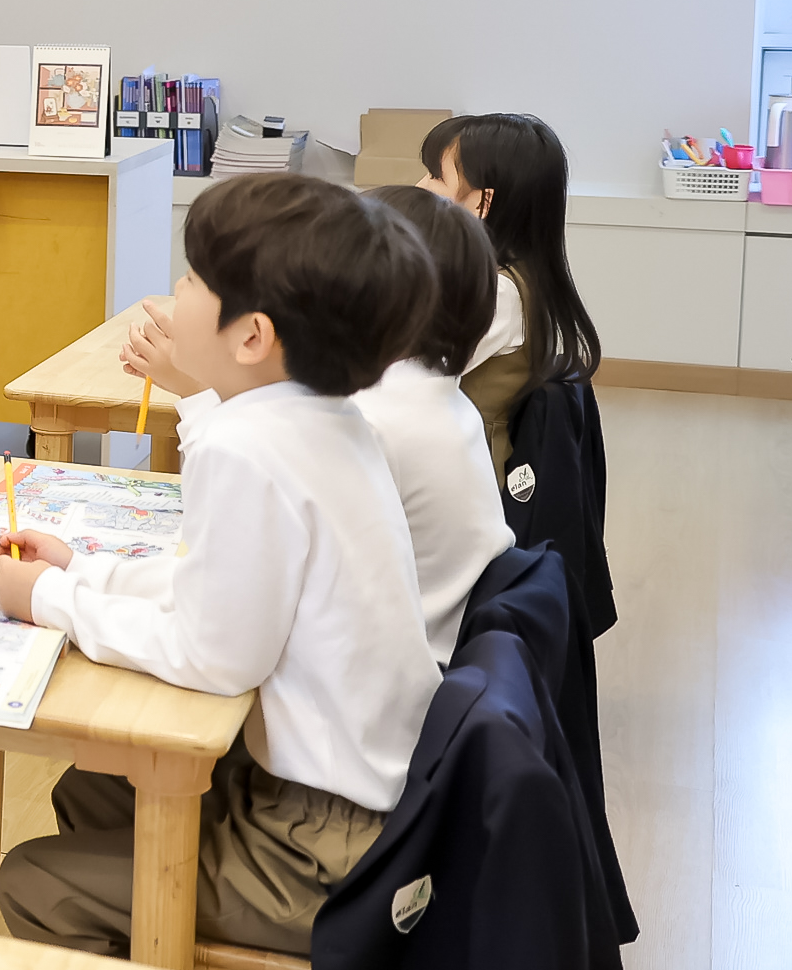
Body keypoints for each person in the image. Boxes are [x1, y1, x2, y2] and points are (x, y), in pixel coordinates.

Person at [0, 175, 442, 959]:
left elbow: (213, 657)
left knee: (34, 882)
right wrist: (82, 572)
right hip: (366, 799)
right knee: (92, 789)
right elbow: (220, 590)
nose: (174, 293)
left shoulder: (246, 447)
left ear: (252, 337)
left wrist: (52, 599)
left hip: (320, 849)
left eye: (194, 279)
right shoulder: (327, 421)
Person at [125, 184, 512, 659]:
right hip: (417, 661)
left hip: (378, 671)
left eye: (191, 277)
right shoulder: (422, 397)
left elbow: (224, 612)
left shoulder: (371, 417)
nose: (178, 288)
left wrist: (201, 390)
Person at [418, 111, 602, 474]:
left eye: (436, 176)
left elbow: (415, 375)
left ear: (483, 203)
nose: (420, 186)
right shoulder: (508, 271)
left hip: (468, 471)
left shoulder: (500, 292)